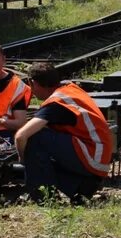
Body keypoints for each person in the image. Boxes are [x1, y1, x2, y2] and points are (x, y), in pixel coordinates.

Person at [14, 62, 113, 202]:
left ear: (33, 83)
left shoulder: (55, 103)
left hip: (93, 157)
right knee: (43, 147)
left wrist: (23, 160)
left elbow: (20, 136)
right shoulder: (69, 90)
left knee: (35, 138)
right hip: (99, 156)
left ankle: (44, 197)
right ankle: (79, 186)